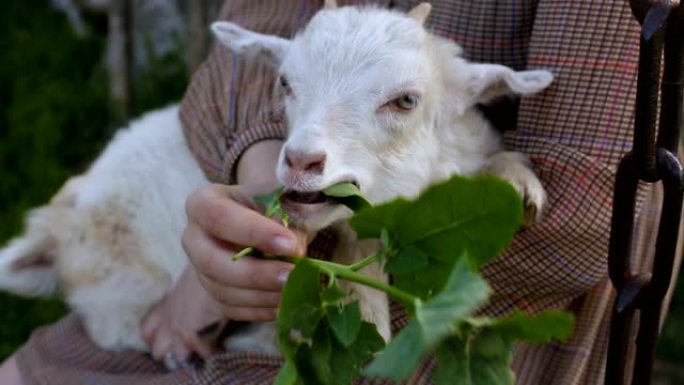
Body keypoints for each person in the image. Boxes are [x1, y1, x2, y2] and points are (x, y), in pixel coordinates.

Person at [0, 0, 679, 384]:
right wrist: (262, 199)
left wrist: (284, 244)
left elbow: (591, 208)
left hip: (435, 342)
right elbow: (218, 84)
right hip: (216, 302)